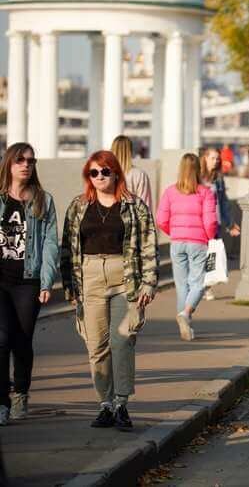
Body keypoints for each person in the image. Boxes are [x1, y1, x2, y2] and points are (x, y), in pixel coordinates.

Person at [61, 150, 158, 430]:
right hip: (89, 277)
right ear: (88, 177)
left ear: (116, 173)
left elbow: (149, 243)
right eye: (94, 172)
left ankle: (121, 404)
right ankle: (105, 404)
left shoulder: (134, 205)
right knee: (96, 345)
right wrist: (70, 286)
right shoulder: (78, 206)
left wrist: (149, 282)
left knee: (122, 341)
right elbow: (67, 247)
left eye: (105, 171)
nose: (100, 177)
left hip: (124, 277)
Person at [0, 144, 58, 425]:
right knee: (1, 340)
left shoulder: (43, 200)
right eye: (20, 160)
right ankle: (2, 401)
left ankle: (21, 393)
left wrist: (46, 282)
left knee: (21, 340)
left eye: (31, 161)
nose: (26, 165)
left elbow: (50, 244)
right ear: (9, 164)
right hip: (1, 281)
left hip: (28, 280)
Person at [156, 154, 218, 341]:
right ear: (198, 169)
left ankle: (185, 325)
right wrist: (210, 238)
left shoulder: (170, 192)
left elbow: (161, 220)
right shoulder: (205, 192)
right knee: (198, 283)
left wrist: (174, 232)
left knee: (182, 285)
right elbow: (210, 222)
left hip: (177, 242)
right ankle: (185, 314)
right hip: (198, 242)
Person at [200, 148, 241, 301]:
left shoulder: (218, 179)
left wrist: (230, 224)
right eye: (213, 158)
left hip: (214, 223)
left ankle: (207, 287)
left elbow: (224, 203)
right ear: (205, 158)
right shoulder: (197, 177)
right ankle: (197, 286)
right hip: (199, 223)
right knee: (199, 256)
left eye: (217, 159)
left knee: (211, 256)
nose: (216, 161)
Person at [110, 136, 152, 211]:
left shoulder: (104, 173)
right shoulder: (140, 174)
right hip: (132, 216)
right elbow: (145, 204)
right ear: (130, 151)